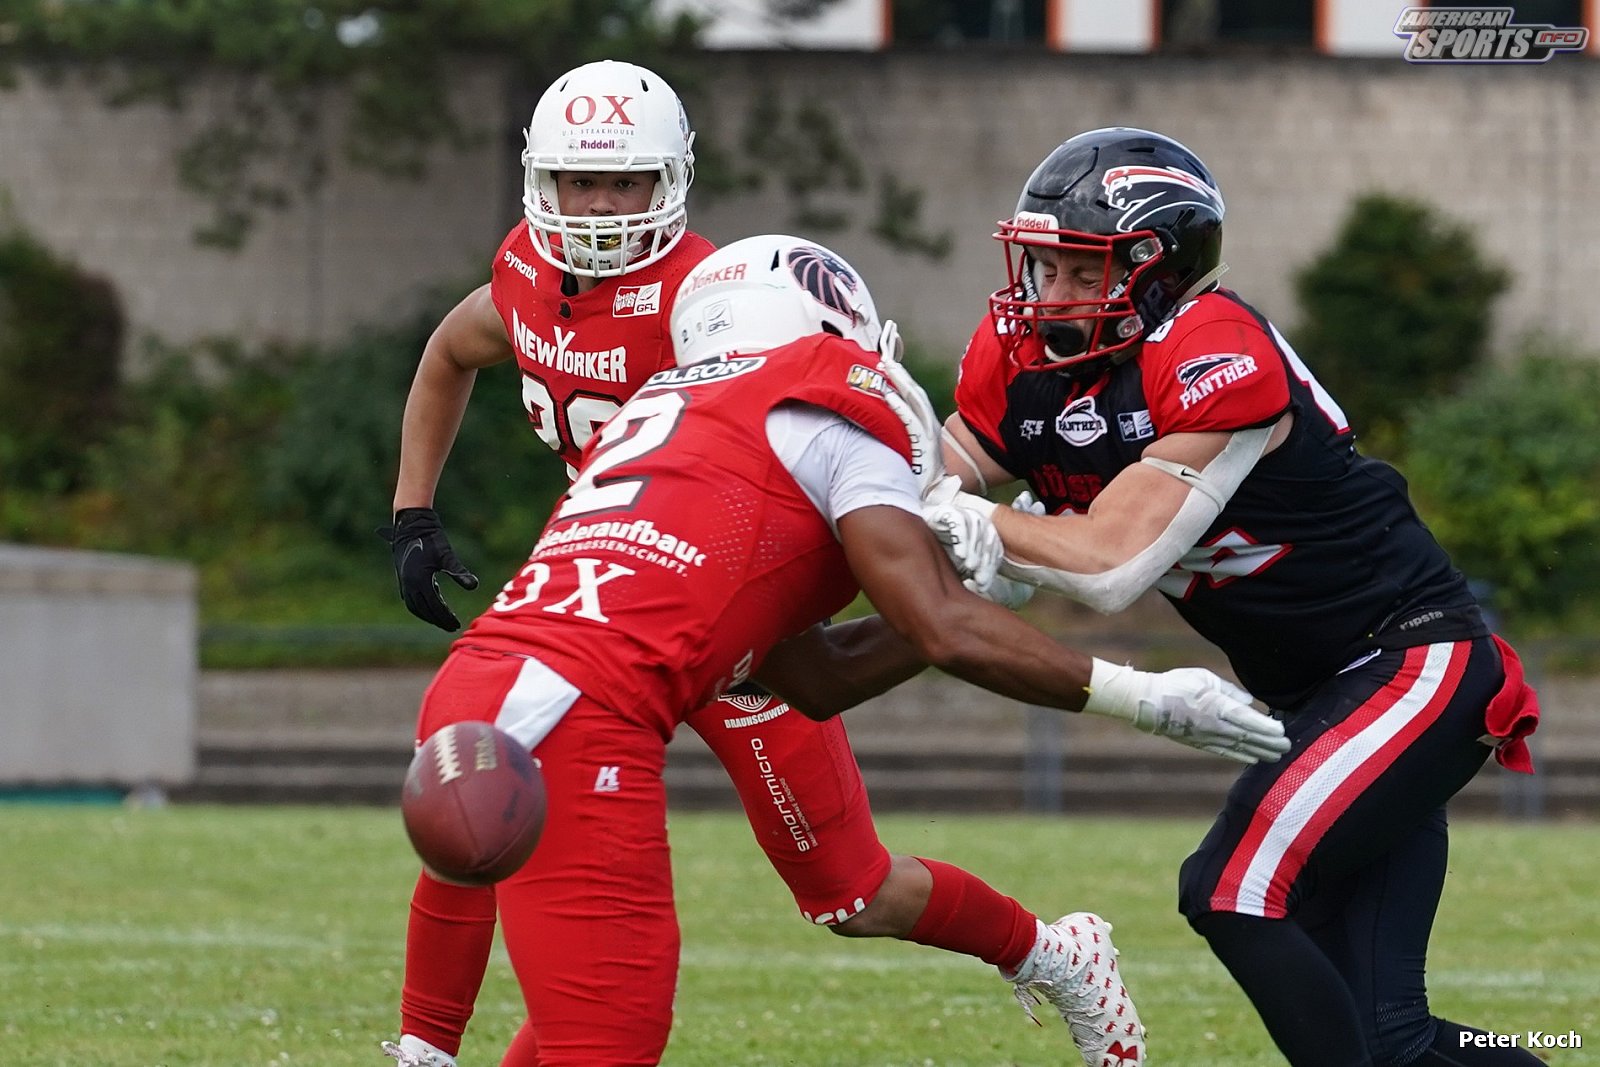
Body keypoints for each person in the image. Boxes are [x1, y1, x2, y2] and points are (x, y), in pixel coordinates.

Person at [377, 67, 1284, 1067]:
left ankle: (1052, 952)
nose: (596, 207)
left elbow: (834, 658)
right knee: (521, 849)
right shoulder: (542, 281)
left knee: (846, 891)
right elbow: (451, 350)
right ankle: (426, 1047)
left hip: (706, 603)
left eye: (622, 182)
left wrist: (967, 580)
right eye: (576, 182)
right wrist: (412, 511)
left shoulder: (726, 318)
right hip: (624, 605)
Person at [923, 127, 1544, 1067]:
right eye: (1044, 267)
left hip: (1410, 661)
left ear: (1160, 271)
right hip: (1325, 694)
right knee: (1392, 1038)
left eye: (1083, 272)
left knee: (1231, 888)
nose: (1051, 295)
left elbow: (1109, 564)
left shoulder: (1212, 346)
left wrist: (986, 525)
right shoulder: (1022, 360)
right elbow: (926, 482)